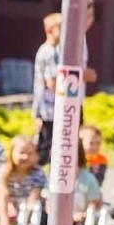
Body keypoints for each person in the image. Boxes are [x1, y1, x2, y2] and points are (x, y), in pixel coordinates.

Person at [0, 135, 47, 225]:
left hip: (31, 210)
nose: (25, 157)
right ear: (12, 153)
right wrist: (4, 222)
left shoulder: (38, 173)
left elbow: (33, 199)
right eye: (21, 153)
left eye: (29, 154)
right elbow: (3, 197)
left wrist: (24, 221)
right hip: (12, 207)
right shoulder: (3, 172)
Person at [33, 12, 63, 161]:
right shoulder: (49, 53)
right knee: (46, 147)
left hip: (46, 108)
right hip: (49, 109)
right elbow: (52, 82)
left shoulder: (52, 51)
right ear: (50, 30)